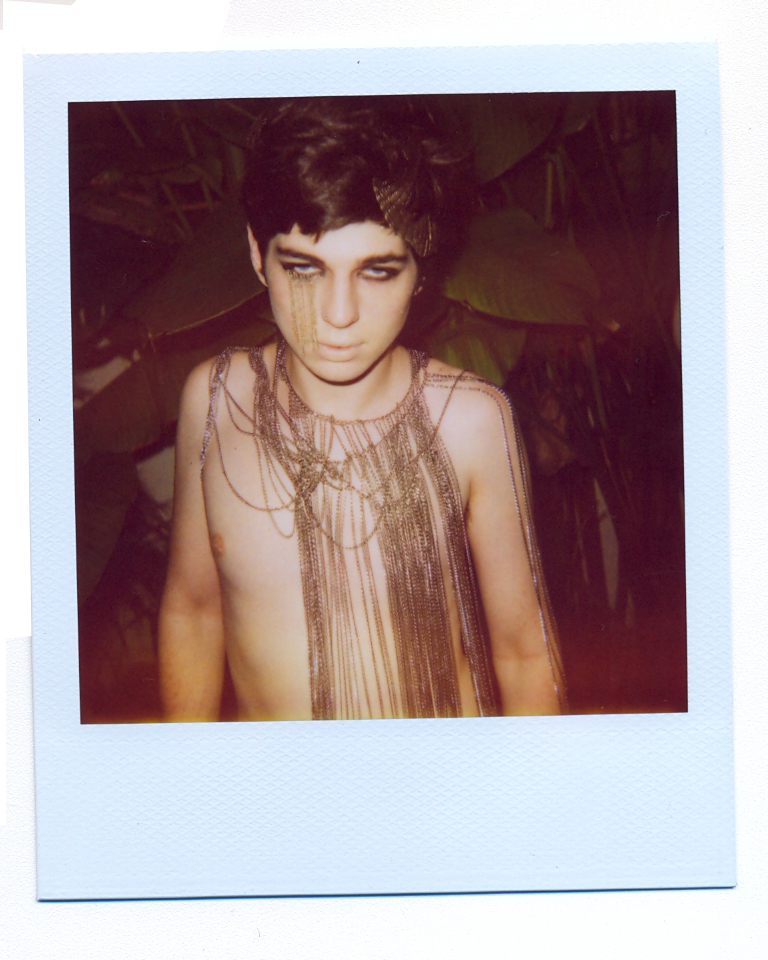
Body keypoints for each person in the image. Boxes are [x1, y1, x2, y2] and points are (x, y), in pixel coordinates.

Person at [158, 97, 566, 721]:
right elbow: (193, 610)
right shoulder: (214, 399)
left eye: (377, 272)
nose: (338, 314)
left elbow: (525, 653)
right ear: (257, 254)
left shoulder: (472, 420)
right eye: (304, 269)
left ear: (421, 271)